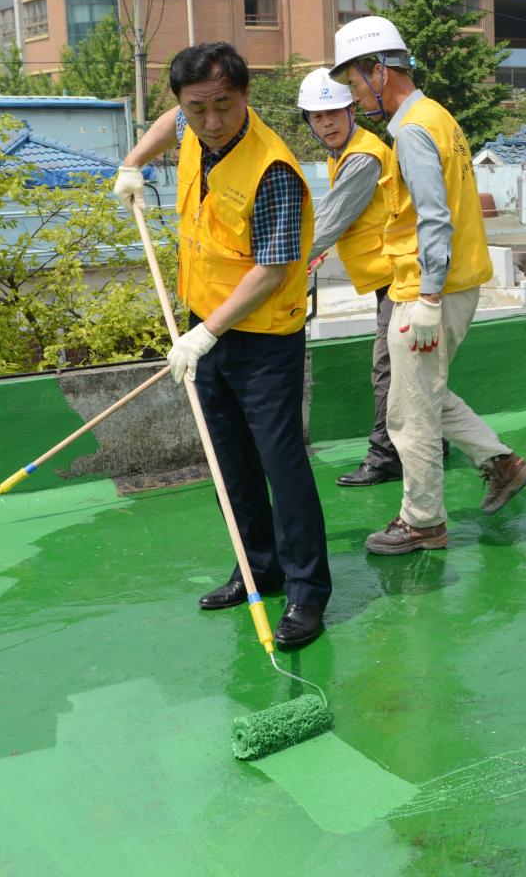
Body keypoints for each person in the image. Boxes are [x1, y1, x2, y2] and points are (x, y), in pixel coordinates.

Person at [112, 42, 330, 649]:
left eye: (223, 106)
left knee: (281, 463)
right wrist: (132, 162)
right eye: (198, 108)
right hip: (204, 328)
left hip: (262, 338)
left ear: (245, 95)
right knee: (226, 459)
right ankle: (257, 568)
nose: (211, 121)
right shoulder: (192, 122)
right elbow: (171, 122)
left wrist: (205, 334)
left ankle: (308, 592)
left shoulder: (271, 168)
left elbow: (273, 268)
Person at [328, 16, 526, 556]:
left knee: (409, 412)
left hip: (426, 289)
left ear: (378, 71)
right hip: (451, 282)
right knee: (422, 392)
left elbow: (434, 218)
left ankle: (422, 522)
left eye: (354, 82)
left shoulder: (413, 130)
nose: (354, 96)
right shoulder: (436, 117)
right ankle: (501, 463)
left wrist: (427, 298)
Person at [297, 66, 409, 487]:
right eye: (317, 116)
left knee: (388, 368)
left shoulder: (362, 157)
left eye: (334, 113)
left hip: (401, 275)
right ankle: (431, 441)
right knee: (407, 366)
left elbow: (328, 223)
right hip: (389, 275)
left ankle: (385, 457)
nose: (327, 123)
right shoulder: (345, 155)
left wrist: (284, 264)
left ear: (351, 111)